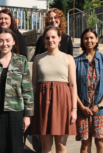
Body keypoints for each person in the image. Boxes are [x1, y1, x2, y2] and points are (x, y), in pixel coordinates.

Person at [0, 28, 34, 153]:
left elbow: (27, 90)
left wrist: (28, 115)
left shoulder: (21, 61)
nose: (4, 44)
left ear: (14, 41)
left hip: (16, 112)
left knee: (15, 148)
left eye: (8, 41)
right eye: (1, 41)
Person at [32, 25, 78, 153]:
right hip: (42, 104)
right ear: (43, 40)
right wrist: (30, 107)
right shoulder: (38, 58)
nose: (50, 40)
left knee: (61, 146)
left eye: (53, 37)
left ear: (59, 39)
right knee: (45, 147)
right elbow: (34, 84)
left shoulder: (68, 58)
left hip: (63, 104)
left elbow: (73, 85)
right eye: (47, 38)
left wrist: (74, 109)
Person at [74, 28, 103, 153]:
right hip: (83, 109)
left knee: (100, 143)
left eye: (91, 37)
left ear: (96, 40)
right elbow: (72, 87)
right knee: (85, 144)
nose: (89, 40)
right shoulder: (76, 62)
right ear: (82, 40)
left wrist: (99, 106)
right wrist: (81, 107)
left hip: (101, 109)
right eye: (86, 38)